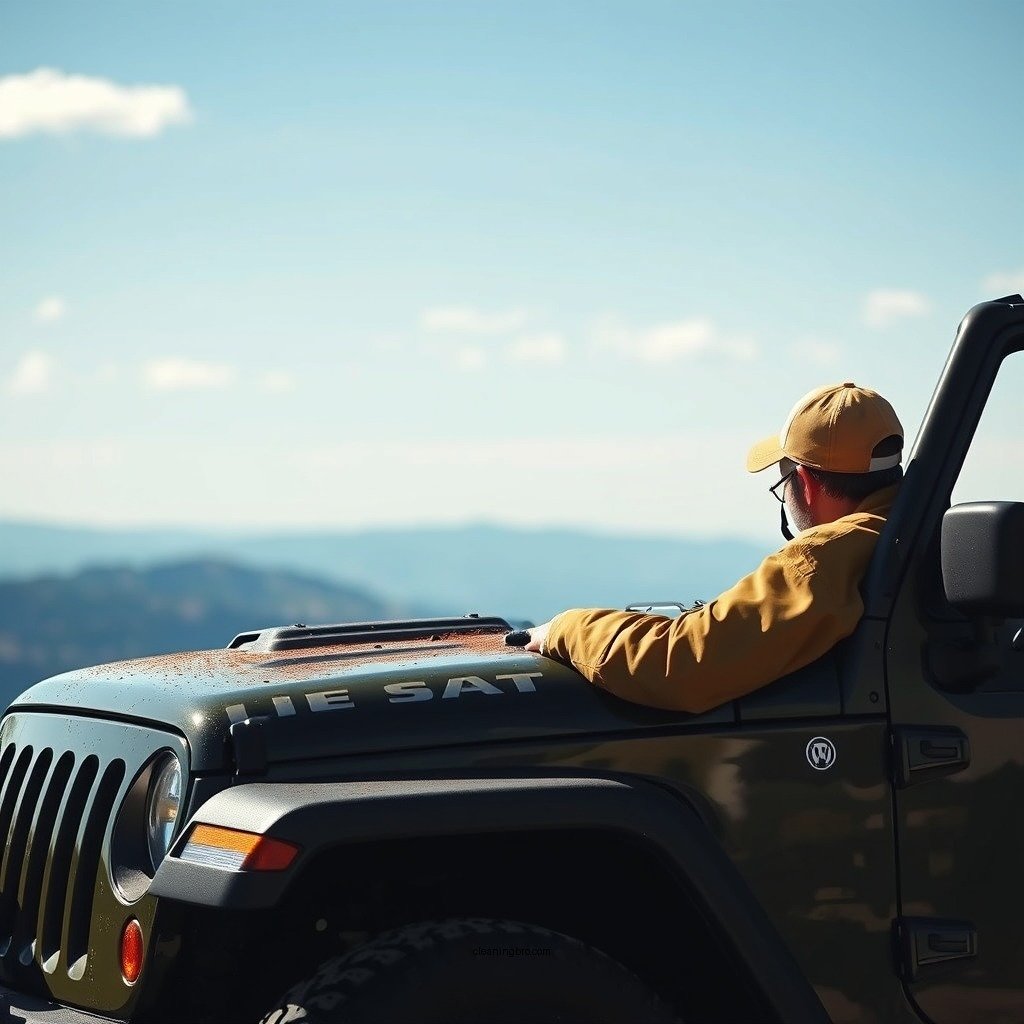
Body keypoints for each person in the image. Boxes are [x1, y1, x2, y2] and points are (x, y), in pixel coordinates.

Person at [525, 382, 904, 713]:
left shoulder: (824, 558)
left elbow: (677, 665)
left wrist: (565, 628)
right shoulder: (909, 531)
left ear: (804, 482)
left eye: (782, 482)